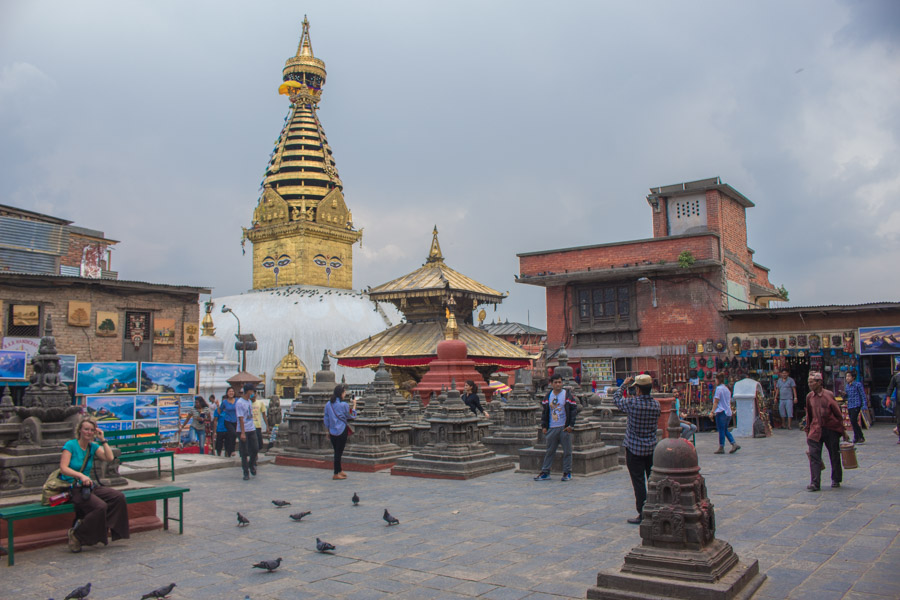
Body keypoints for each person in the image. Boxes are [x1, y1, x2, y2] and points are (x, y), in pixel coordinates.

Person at [59, 417, 129, 553]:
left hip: (88, 486)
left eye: (92, 430)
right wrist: (80, 475)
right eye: (86, 429)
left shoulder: (92, 447)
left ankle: (104, 526)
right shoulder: (70, 445)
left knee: (118, 497)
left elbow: (109, 458)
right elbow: (63, 468)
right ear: (80, 430)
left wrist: (103, 440)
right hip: (73, 487)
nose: (89, 432)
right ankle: (77, 534)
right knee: (101, 507)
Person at [613, 374, 660, 524]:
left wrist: (624, 385)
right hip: (651, 447)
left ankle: (642, 511)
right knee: (652, 480)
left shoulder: (632, 403)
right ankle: (656, 508)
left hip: (634, 448)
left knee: (638, 483)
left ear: (638, 390)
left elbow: (616, 400)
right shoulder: (656, 405)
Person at [805, 371, 850, 491]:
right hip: (815, 430)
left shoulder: (828, 395)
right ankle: (815, 482)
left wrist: (842, 430)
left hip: (830, 429)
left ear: (819, 382)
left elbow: (837, 413)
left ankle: (836, 479)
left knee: (834, 455)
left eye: (812, 382)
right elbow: (809, 414)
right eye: (809, 382)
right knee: (814, 456)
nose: (810, 384)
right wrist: (807, 430)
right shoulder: (809, 397)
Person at [533, 373, 577, 482]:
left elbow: (573, 410)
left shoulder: (567, 395)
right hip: (552, 427)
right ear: (551, 384)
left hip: (564, 427)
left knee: (567, 451)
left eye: (560, 382)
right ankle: (545, 472)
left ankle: (567, 472)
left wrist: (571, 425)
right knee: (549, 451)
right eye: (556, 382)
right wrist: (544, 425)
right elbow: (545, 412)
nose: (558, 384)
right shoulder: (548, 396)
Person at [323, 384, 357, 480]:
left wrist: (327, 430)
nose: (345, 394)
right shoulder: (344, 405)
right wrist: (354, 404)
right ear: (341, 394)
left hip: (332, 431)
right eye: (344, 392)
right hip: (342, 430)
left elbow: (326, 418)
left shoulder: (328, 404)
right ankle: (335, 473)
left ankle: (339, 470)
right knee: (338, 452)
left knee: (336, 451)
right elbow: (352, 415)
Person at [713, 372, 740, 454]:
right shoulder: (726, 389)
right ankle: (733, 443)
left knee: (721, 430)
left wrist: (712, 411)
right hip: (728, 412)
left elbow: (716, 401)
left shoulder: (719, 389)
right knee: (725, 430)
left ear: (717, 380)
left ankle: (721, 446)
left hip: (721, 411)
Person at [235, 384, 258, 480]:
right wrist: (243, 433)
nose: (253, 393)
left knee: (255, 448)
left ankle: (251, 464)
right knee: (244, 452)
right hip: (243, 430)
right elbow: (241, 419)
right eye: (251, 391)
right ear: (248, 391)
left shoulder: (248, 401)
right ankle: (245, 472)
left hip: (251, 428)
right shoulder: (240, 403)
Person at [844, 371, 868, 444]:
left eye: (849, 376)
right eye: (846, 376)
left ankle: (860, 436)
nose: (847, 378)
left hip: (856, 404)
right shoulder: (847, 386)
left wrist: (864, 405)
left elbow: (863, 395)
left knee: (854, 420)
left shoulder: (858, 385)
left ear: (853, 377)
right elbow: (846, 396)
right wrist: (843, 395)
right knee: (852, 422)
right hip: (850, 405)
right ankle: (856, 437)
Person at [220, 387, 238, 457]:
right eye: (230, 391)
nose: (231, 393)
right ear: (227, 393)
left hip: (236, 420)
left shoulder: (237, 400)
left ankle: (228, 450)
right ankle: (232, 450)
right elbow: (220, 410)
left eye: (232, 391)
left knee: (231, 436)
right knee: (233, 433)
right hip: (228, 420)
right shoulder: (224, 402)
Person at [888, 366, 900, 442]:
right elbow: (890, 388)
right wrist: (888, 397)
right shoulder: (896, 377)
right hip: (899, 401)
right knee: (899, 420)